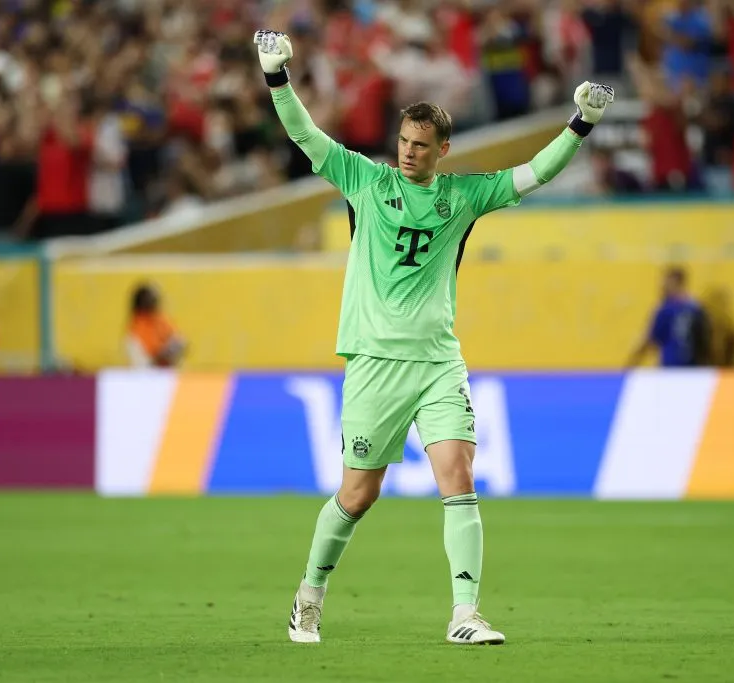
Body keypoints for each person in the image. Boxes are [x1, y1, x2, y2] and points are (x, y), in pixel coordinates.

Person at [254, 29, 614, 646]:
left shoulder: (463, 198)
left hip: (438, 363)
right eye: (403, 141)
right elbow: (305, 135)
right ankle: (309, 596)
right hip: (374, 363)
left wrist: (581, 122)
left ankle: (465, 615)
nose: (409, 153)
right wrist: (277, 78)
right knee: (358, 493)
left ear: (443, 148)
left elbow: (533, 174)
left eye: (422, 145)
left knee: (458, 474)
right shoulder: (365, 182)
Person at [626, 266, 710, 368]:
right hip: (693, 370)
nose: (662, 287)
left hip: (671, 370)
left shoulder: (667, 309)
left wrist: (631, 364)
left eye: (665, 283)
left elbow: (650, 339)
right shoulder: (697, 308)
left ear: (677, 283)